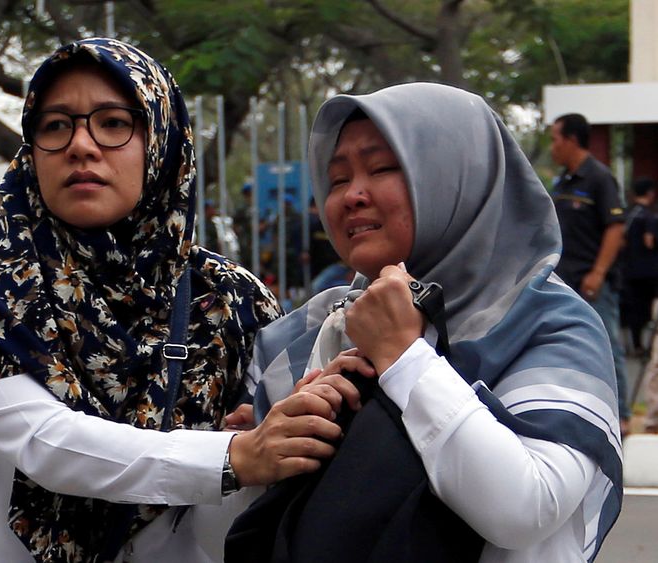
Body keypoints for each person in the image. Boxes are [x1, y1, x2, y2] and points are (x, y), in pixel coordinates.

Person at [0, 38, 346, 562]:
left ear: (161, 141)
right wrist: (233, 456)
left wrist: (261, 440)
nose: (81, 145)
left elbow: (257, 499)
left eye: (112, 122)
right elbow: (45, 441)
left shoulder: (229, 299)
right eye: (56, 125)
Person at [230, 84, 622, 562]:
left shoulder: (547, 322)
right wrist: (255, 452)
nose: (352, 196)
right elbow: (233, 533)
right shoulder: (305, 332)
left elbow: (525, 507)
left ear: (458, 177)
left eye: (382, 168)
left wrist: (402, 356)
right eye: (335, 179)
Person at [549, 112, 630, 435]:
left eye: (555, 139)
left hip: (593, 285)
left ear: (571, 140)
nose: (552, 147)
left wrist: (597, 273)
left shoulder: (599, 177)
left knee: (607, 346)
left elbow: (615, 228)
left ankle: (621, 417)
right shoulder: (562, 181)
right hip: (564, 283)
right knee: (567, 347)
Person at [620, 177, 658, 356]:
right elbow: (649, 241)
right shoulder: (649, 216)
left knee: (633, 309)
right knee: (645, 309)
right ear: (650, 193)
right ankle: (646, 346)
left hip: (628, 269)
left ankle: (634, 345)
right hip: (648, 271)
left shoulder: (627, 215)